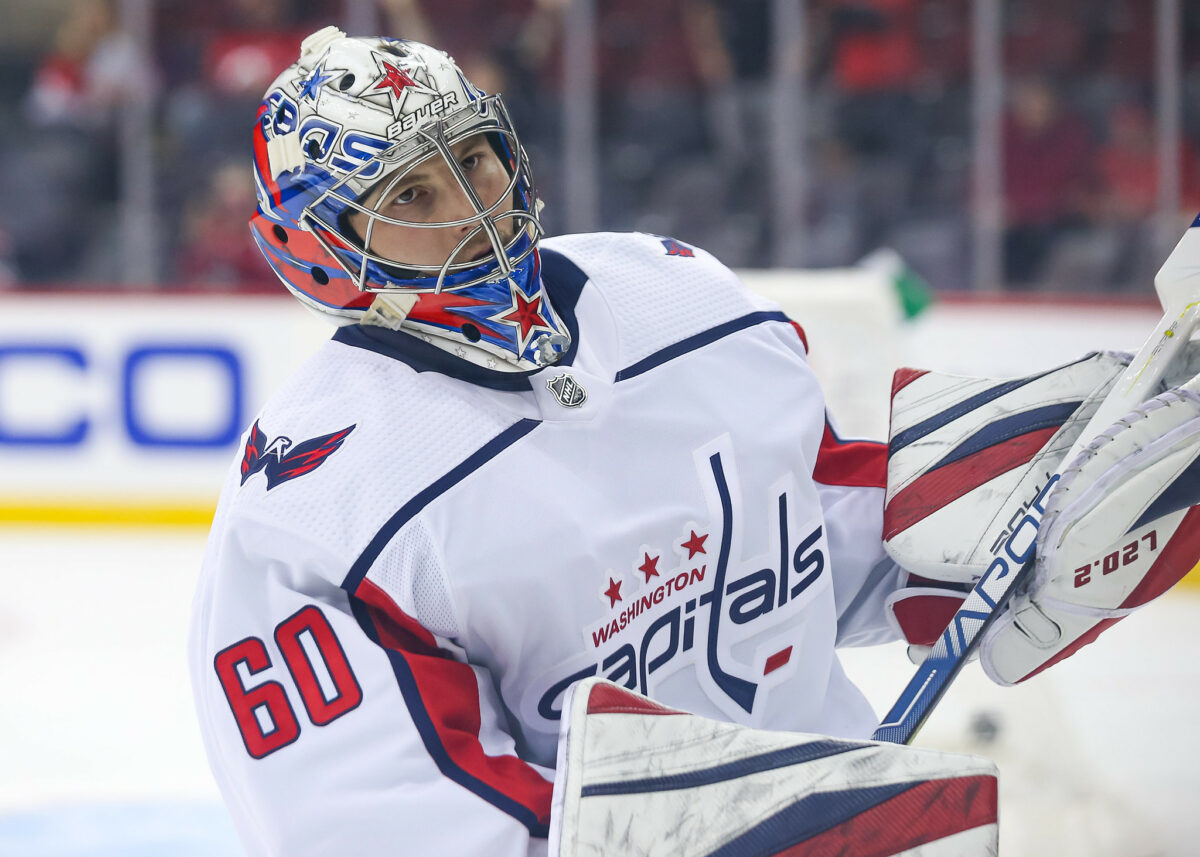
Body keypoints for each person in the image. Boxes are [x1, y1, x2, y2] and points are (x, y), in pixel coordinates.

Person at [189, 27, 1200, 857]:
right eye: (411, 195)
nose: (473, 211)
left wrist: (1015, 550)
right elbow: (389, 825)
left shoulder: (678, 295)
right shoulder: (315, 509)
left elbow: (822, 539)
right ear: (319, 250)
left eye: (477, 158)